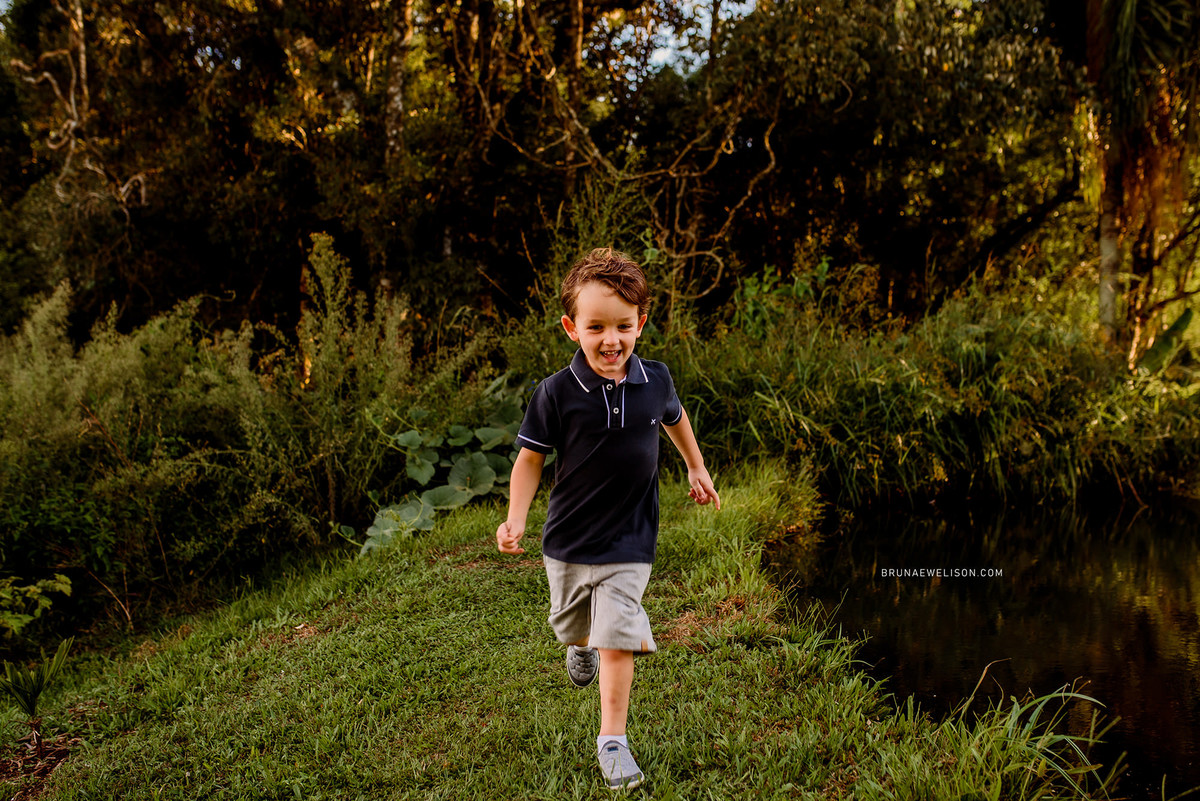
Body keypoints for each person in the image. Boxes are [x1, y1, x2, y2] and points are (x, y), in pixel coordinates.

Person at [495, 247, 721, 791]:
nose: (611, 340)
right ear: (572, 328)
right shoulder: (555, 393)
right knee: (574, 625)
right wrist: (516, 518)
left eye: (623, 325)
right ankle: (579, 644)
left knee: (619, 629)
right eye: (597, 327)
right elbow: (530, 459)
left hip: (630, 537)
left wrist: (695, 465)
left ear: (640, 323)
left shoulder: (656, 379)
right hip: (568, 539)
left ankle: (612, 740)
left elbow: (676, 417)